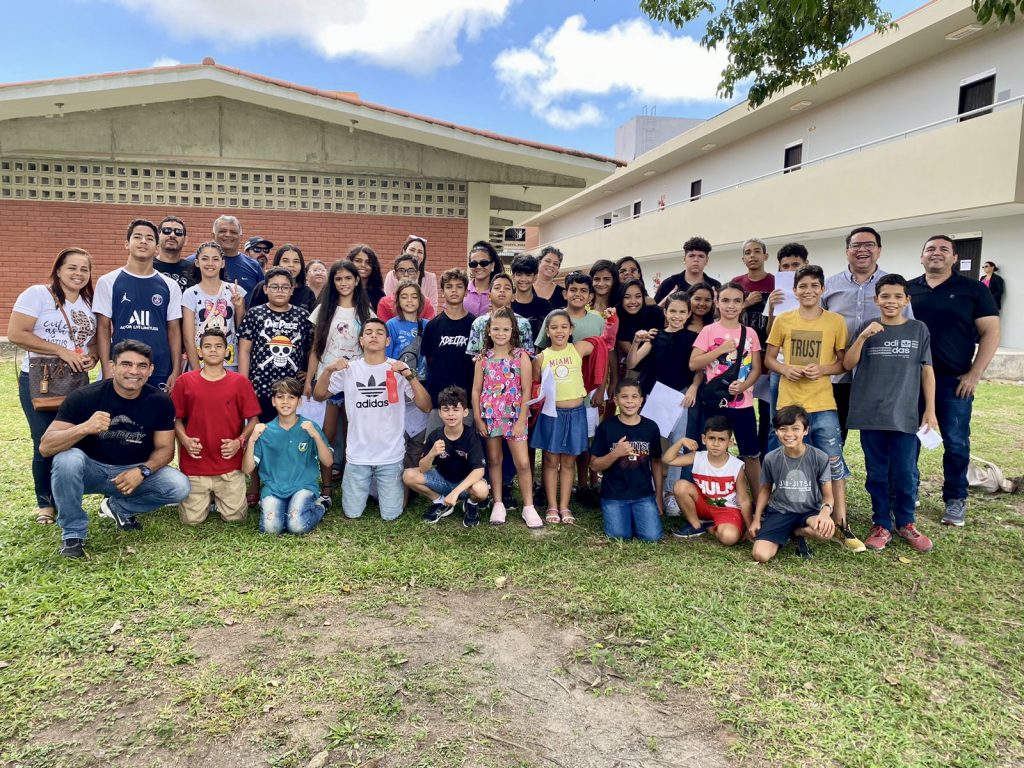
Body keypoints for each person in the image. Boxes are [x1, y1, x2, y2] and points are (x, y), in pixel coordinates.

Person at [40, 340, 190, 558]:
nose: (134, 371)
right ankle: (73, 534)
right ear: (112, 366)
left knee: (179, 486)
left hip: (132, 470)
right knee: (67, 459)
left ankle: (119, 507)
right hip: (90, 470)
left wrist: (142, 471)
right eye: (126, 364)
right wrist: (84, 428)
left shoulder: (160, 401)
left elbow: (166, 450)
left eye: (141, 366)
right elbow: (46, 447)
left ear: (150, 370)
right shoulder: (85, 396)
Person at [765, 265, 864, 552]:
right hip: (789, 405)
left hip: (823, 404)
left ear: (823, 289)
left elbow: (843, 363)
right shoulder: (784, 320)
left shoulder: (835, 322)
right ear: (794, 291)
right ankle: (785, 519)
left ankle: (841, 523)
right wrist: (785, 369)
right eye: (802, 286)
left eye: (813, 286)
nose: (808, 291)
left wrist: (822, 369)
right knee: (787, 463)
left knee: (833, 462)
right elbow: (769, 358)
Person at [907, 235, 1000, 527]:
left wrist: (975, 373)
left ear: (955, 258)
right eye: (930, 249)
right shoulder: (908, 290)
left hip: (954, 381)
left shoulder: (973, 290)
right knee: (908, 440)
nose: (936, 253)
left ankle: (955, 498)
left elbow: (991, 332)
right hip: (909, 381)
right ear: (921, 257)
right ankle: (909, 491)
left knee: (956, 443)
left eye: (944, 249)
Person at [843, 274, 937, 552]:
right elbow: (848, 363)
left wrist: (930, 410)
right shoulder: (867, 327)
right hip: (870, 413)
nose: (891, 301)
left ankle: (906, 522)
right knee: (877, 473)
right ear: (876, 300)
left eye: (898, 296)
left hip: (904, 415)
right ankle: (881, 523)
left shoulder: (918, 329)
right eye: (885, 296)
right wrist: (864, 336)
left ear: (907, 300)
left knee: (906, 472)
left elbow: (927, 371)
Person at [9, 247, 98, 525]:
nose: (78, 274)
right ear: (58, 270)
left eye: (84, 269)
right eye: (72, 267)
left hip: (75, 381)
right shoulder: (38, 294)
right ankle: (45, 504)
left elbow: (93, 341)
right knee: (44, 440)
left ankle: (65, 498)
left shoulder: (87, 303)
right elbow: (16, 333)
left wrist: (92, 357)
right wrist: (61, 351)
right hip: (41, 380)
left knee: (72, 439)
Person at [314, 319, 432, 521]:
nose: (374, 336)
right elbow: (319, 395)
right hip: (357, 455)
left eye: (379, 332)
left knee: (391, 515)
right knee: (352, 513)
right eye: (368, 332)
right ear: (361, 340)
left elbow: (426, 406)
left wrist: (409, 376)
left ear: (387, 341)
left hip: (391, 455)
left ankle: (380, 490)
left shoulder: (397, 368)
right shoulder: (350, 368)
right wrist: (328, 370)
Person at [531, 309, 617, 524]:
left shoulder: (578, 348)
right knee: (551, 461)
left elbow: (606, 342)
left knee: (569, 461)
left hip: (576, 412)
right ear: (547, 332)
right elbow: (534, 387)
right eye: (554, 327)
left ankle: (564, 506)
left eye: (564, 327)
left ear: (571, 330)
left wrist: (611, 321)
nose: (559, 331)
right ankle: (552, 506)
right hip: (552, 414)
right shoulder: (541, 358)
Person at [822, 226, 908, 441]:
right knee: (833, 437)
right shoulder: (829, 285)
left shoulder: (893, 286)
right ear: (847, 251)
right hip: (836, 375)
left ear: (879, 250)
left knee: (877, 440)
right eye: (856, 245)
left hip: (879, 376)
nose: (862, 250)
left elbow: (906, 327)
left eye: (869, 245)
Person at [172, 328, 261, 525]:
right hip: (196, 465)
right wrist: (185, 440)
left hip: (229, 465)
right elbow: (176, 420)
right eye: (208, 346)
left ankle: (217, 497)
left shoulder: (240, 382)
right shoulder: (184, 381)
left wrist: (239, 442)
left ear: (227, 351)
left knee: (235, 518)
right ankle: (207, 498)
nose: (213, 350)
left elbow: (253, 420)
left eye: (219, 346)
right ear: (200, 351)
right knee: (191, 521)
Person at [626, 291, 701, 514]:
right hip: (654, 397)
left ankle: (671, 493)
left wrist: (694, 387)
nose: (677, 316)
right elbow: (632, 362)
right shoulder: (655, 336)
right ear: (665, 312)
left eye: (682, 312)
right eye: (673, 311)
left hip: (680, 396)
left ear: (688, 313)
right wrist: (636, 342)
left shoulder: (693, 338)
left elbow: (699, 368)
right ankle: (648, 488)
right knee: (649, 443)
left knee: (678, 443)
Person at [305, 259, 375, 496]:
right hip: (329, 378)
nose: (343, 283)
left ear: (356, 281)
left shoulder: (366, 312)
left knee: (353, 431)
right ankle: (326, 485)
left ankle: (349, 480)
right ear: (332, 282)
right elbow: (316, 348)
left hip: (356, 379)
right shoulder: (324, 309)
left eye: (348, 278)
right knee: (328, 432)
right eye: (338, 279)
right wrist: (309, 380)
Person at [471, 307, 540, 527]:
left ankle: (528, 506)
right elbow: (476, 390)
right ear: (489, 330)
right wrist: (478, 418)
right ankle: (498, 503)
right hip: (491, 416)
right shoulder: (483, 358)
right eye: (496, 329)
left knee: (523, 462)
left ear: (513, 331)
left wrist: (521, 419)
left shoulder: (521, 356)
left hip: (515, 417)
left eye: (505, 329)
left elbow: (526, 390)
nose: (500, 333)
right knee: (494, 459)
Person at [94, 219, 183, 391]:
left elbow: (173, 330)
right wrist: (106, 368)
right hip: (122, 367)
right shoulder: (108, 281)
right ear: (126, 244)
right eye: (137, 237)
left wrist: (176, 370)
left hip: (159, 368)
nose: (143, 241)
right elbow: (103, 328)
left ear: (157, 247)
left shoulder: (170, 285)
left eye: (149, 238)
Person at [690, 282, 762, 491]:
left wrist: (744, 386)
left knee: (751, 453)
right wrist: (720, 350)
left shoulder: (750, 333)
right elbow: (694, 363)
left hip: (743, 404)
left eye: (737, 301)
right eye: (726, 300)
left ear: (743, 304)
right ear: (717, 303)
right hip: (716, 404)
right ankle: (716, 496)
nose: (731, 306)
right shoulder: (708, 331)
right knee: (715, 451)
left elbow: (756, 368)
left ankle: (759, 501)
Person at [242, 377, 334, 535]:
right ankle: (277, 508)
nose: (285, 402)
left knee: (296, 526)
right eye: (280, 397)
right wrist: (251, 440)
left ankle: (321, 506)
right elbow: (246, 469)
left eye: (291, 397)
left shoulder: (309, 427)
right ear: (273, 401)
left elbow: (328, 461)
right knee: (271, 529)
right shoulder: (265, 430)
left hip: (303, 487)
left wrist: (316, 436)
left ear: (299, 402)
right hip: (274, 489)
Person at [750, 405, 835, 562]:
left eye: (795, 428)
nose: (789, 434)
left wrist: (825, 514)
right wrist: (756, 519)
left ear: (805, 430)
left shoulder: (819, 457)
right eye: (783, 429)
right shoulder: (771, 458)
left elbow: (828, 495)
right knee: (760, 555)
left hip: (809, 511)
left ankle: (797, 532)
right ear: (776, 432)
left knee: (825, 532)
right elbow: (765, 489)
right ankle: (784, 531)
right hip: (780, 511)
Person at [589, 380, 665, 542]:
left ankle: (637, 516)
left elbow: (657, 462)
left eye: (634, 397)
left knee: (651, 537)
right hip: (614, 495)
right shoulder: (606, 428)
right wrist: (615, 454)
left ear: (641, 400)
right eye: (624, 397)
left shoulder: (651, 427)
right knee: (619, 536)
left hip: (643, 495)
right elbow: (594, 465)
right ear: (616, 400)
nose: (630, 401)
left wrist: (658, 496)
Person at [403, 386, 489, 527]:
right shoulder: (435, 435)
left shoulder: (471, 436)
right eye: (446, 409)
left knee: (481, 489)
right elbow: (423, 469)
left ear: (465, 412)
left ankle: (471, 503)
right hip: (443, 481)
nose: (450, 414)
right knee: (408, 475)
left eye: (456, 409)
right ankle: (440, 501)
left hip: (465, 485)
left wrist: (455, 493)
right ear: (440, 413)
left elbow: (479, 470)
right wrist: (432, 453)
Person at [237, 267, 313, 426]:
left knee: (289, 429)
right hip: (260, 387)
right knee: (260, 429)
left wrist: (309, 375)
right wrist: (244, 383)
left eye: (285, 287)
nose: (280, 291)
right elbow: (244, 350)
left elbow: (313, 349)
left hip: (292, 389)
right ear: (265, 289)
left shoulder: (303, 316)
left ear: (292, 290)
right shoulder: (254, 314)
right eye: (274, 286)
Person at [662, 415, 752, 546]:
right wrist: (681, 441)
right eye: (711, 438)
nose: (716, 444)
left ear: (730, 442)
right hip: (703, 505)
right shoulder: (698, 457)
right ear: (704, 439)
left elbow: (744, 499)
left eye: (721, 439)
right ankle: (696, 525)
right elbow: (667, 459)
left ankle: (710, 528)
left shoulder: (736, 466)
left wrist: (749, 528)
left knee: (729, 538)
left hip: (727, 510)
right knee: (680, 486)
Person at [386, 279, 431, 489]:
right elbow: (387, 359)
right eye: (404, 297)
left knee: (418, 434)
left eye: (414, 296)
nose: (409, 301)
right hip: (398, 386)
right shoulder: (392, 325)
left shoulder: (427, 325)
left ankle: (411, 480)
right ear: (398, 301)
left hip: (421, 384)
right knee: (399, 434)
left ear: (420, 300)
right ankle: (394, 482)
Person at [732, 238, 774, 454]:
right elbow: (726, 314)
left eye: (757, 251)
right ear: (743, 258)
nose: (752, 256)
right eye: (748, 252)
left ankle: (763, 456)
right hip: (741, 358)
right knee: (741, 407)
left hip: (769, 356)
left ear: (765, 256)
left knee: (767, 412)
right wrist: (746, 303)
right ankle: (745, 453)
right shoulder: (736, 283)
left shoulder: (775, 283)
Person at [421, 269, 477, 435]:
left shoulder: (475, 324)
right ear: (442, 291)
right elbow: (429, 360)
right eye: (449, 286)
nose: (454, 290)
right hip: (438, 401)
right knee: (435, 445)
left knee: (464, 446)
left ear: (466, 291)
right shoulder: (433, 326)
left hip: (466, 401)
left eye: (459, 286)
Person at [765, 243, 809, 447]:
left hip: (810, 367)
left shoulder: (814, 292)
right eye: (785, 266)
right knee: (777, 421)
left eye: (796, 265)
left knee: (807, 421)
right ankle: (774, 464)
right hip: (780, 366)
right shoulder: (777, 293)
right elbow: (769, 333)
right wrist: (772, 308)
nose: (791, 270)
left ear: (805, 264)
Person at [181, 241, 246, 372]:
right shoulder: (190, 294)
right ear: (197, 262)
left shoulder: (235, 290)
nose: (210, 263)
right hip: (200, 362)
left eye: (215, 259)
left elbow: (242, 331)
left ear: (222, 263)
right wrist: (196, 372)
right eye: (205, 259)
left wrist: (239, 307)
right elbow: (188, 339)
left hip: (229, 362)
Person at [465, 272, 536, 357]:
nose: (502, 290)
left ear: (513, 297)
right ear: (489, 296)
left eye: (507, 288)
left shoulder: (523, 323)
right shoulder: (479, 323)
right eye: (497, 288)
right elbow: (472, 355)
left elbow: (529, 355)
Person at [188, 216, 263, 294]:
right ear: (213, 235)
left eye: (233, 232)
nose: (228, 235)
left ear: (241, 238)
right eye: (222, 231)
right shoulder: (192, 262)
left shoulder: (253, 266)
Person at [247, 244, 316, 312]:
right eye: (285, 261)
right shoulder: (262, 287)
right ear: (278, 263)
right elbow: (251, 315)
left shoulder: (307, 293)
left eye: (296, 261)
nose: (291, 265)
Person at [653, 236, 722, 303]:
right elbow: (653, 309)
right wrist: (666, 301)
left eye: (701, 256)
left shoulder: (715, 285)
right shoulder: (669, 283)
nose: (696, 259)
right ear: (684, 259)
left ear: (706, 260)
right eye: (691, 256)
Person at [376, 254, 437, 322]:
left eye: (411, 271)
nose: (406, 274)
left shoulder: (426, 303)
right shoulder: (384, 303)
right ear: (395, 274)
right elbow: (383, 327)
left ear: (417, 274)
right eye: (401, 271)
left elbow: (430, 327)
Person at [382, 235, 438, 309]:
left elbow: (433, 307)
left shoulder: (431, 278)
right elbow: (388, 304)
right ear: (404, 251)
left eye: (420, 252)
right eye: (412, 250)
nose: (415, 255)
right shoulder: (391, 276)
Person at [510, 254, 552, 341]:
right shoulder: (506, 303)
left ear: (535, 277)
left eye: (528, 275)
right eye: (519, 274)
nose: (523, 279)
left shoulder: (544, 305)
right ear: (513, 277)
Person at [153, 216, 196, 292]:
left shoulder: (194, 270)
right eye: (166, 231)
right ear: (157, 237)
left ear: (185, 240)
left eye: (178, 232)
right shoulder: (146, 266)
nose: (172, 235)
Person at [465, 241, 502, 316]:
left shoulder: (500, 293)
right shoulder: (462, 290)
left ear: (492, 265)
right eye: (474, 264)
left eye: (483, 263)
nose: (478, 267)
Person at [349, 245, 386, 310]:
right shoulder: (343, 289)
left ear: (374, 266)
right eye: (358, 261)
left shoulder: (379, 294)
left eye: (368, 262)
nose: (363, 265)